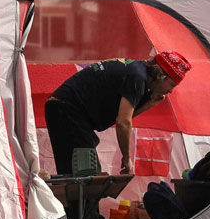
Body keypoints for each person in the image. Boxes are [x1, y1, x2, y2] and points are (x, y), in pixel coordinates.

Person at [45, 51, 192, 176]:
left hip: (66, 109)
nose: (171, 91)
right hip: (67, 109)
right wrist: (127, 158)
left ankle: (78, 209)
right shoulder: (137, 78)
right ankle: (79, 210)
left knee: (80, 171)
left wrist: (149, 104)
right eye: (172, 85)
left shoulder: (137, 71)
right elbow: (123, 122)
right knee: (84, 173)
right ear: (161, 76)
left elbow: (122, 117)